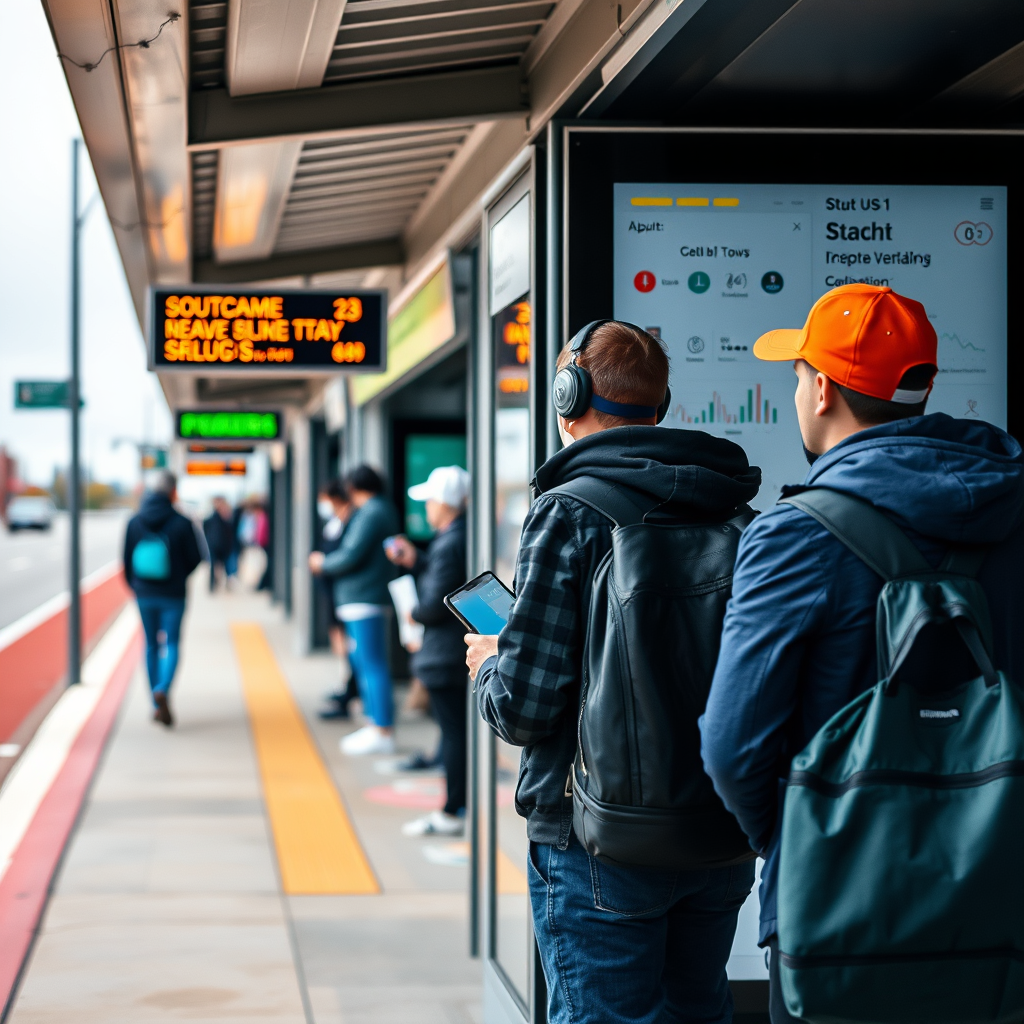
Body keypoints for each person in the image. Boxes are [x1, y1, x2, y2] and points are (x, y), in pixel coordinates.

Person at [699, 284, 1024, 1024]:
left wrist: (803, 836)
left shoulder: (795, 535)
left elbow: (731, 746)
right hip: (1000, 895)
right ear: (924, 385)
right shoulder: (1011, 510)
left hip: (839, 912)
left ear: (819, 388)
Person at [466, 322, 761, 1024]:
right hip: (718, 834)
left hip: (597, 841)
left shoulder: (568, 512)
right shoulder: (734, 508)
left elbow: (524, 708)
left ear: (568, 395)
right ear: (658, 402)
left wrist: (491, 662)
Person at [386, 466, 470, 837]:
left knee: (453, 734)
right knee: (454, 733)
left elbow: (435, 604)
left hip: (445, 653)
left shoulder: (450, 541)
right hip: (455, 651)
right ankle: (456, 803)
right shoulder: (461, 535)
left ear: (444, 503)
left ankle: (452, 810)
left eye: (430, 501)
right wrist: (417, 561)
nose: (426, 509)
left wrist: (412, 612)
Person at [309, 465, 399, 756]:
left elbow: (351, 553)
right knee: (365, 662)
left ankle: (381, 728)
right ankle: (376, 724)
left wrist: (323, 563)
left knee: (371, 664)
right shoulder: (380, 510)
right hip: (365, 598)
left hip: (364, 598)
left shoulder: (371, 512)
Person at [123, 470, 203, 727]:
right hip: (174, 594)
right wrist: (178, 577)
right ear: (173, 491)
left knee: (150, 645)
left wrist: (136, 586)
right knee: (172, 643)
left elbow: (125, 560)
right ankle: (163, 688)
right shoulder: (182, 521)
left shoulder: (135, 522)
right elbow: (196, 557)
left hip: (144, 594)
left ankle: (154, 701)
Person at [315, 479, 360, 720]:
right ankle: (347, 687)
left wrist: (322, 563)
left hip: (346, 595)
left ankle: (352, 691)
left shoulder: (353, 521)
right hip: (333, 592)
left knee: (352, 646)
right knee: (341, 641)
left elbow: (347, 556)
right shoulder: (336, 521)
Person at [202, 496, 234, 591]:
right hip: (216, 545)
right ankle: (214, 584)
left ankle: (220, 583)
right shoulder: (215, 517)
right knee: (217, 565)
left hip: (221, 545)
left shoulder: (225, 517)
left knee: (223, 565)